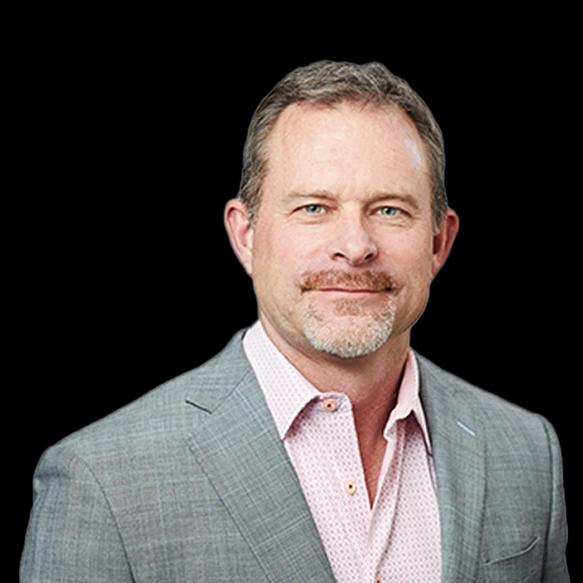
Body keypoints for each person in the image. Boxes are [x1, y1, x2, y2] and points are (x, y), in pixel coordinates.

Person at [21, 60, 570, 582]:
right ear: (246, 236)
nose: (354, 246)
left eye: (389, 209)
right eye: (313, 208)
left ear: (438, 243)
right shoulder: (104, 481)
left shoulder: (525, 451)